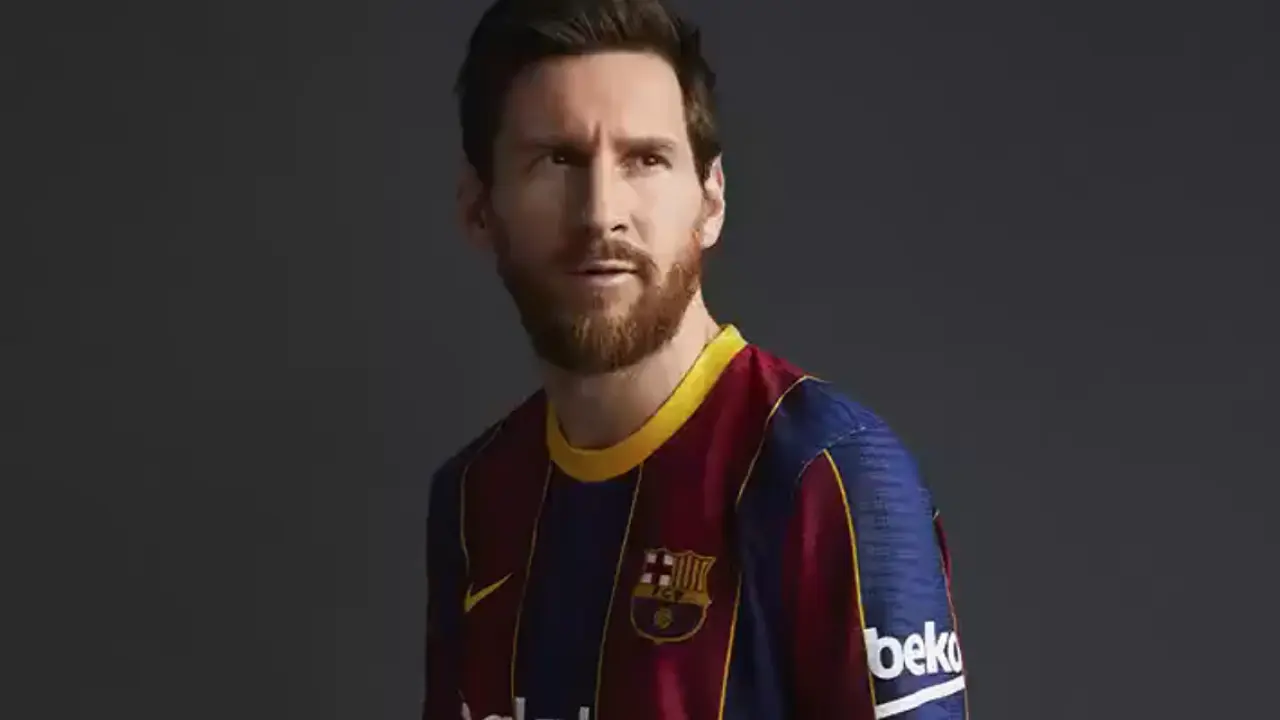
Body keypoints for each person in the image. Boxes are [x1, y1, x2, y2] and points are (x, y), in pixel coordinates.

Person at [425, 1, 968, 718]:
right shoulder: (475, 494)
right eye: (557, 159)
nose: (601, 213)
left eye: (645, 159)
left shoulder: (830, 472)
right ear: (478, 208)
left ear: (710, 201)